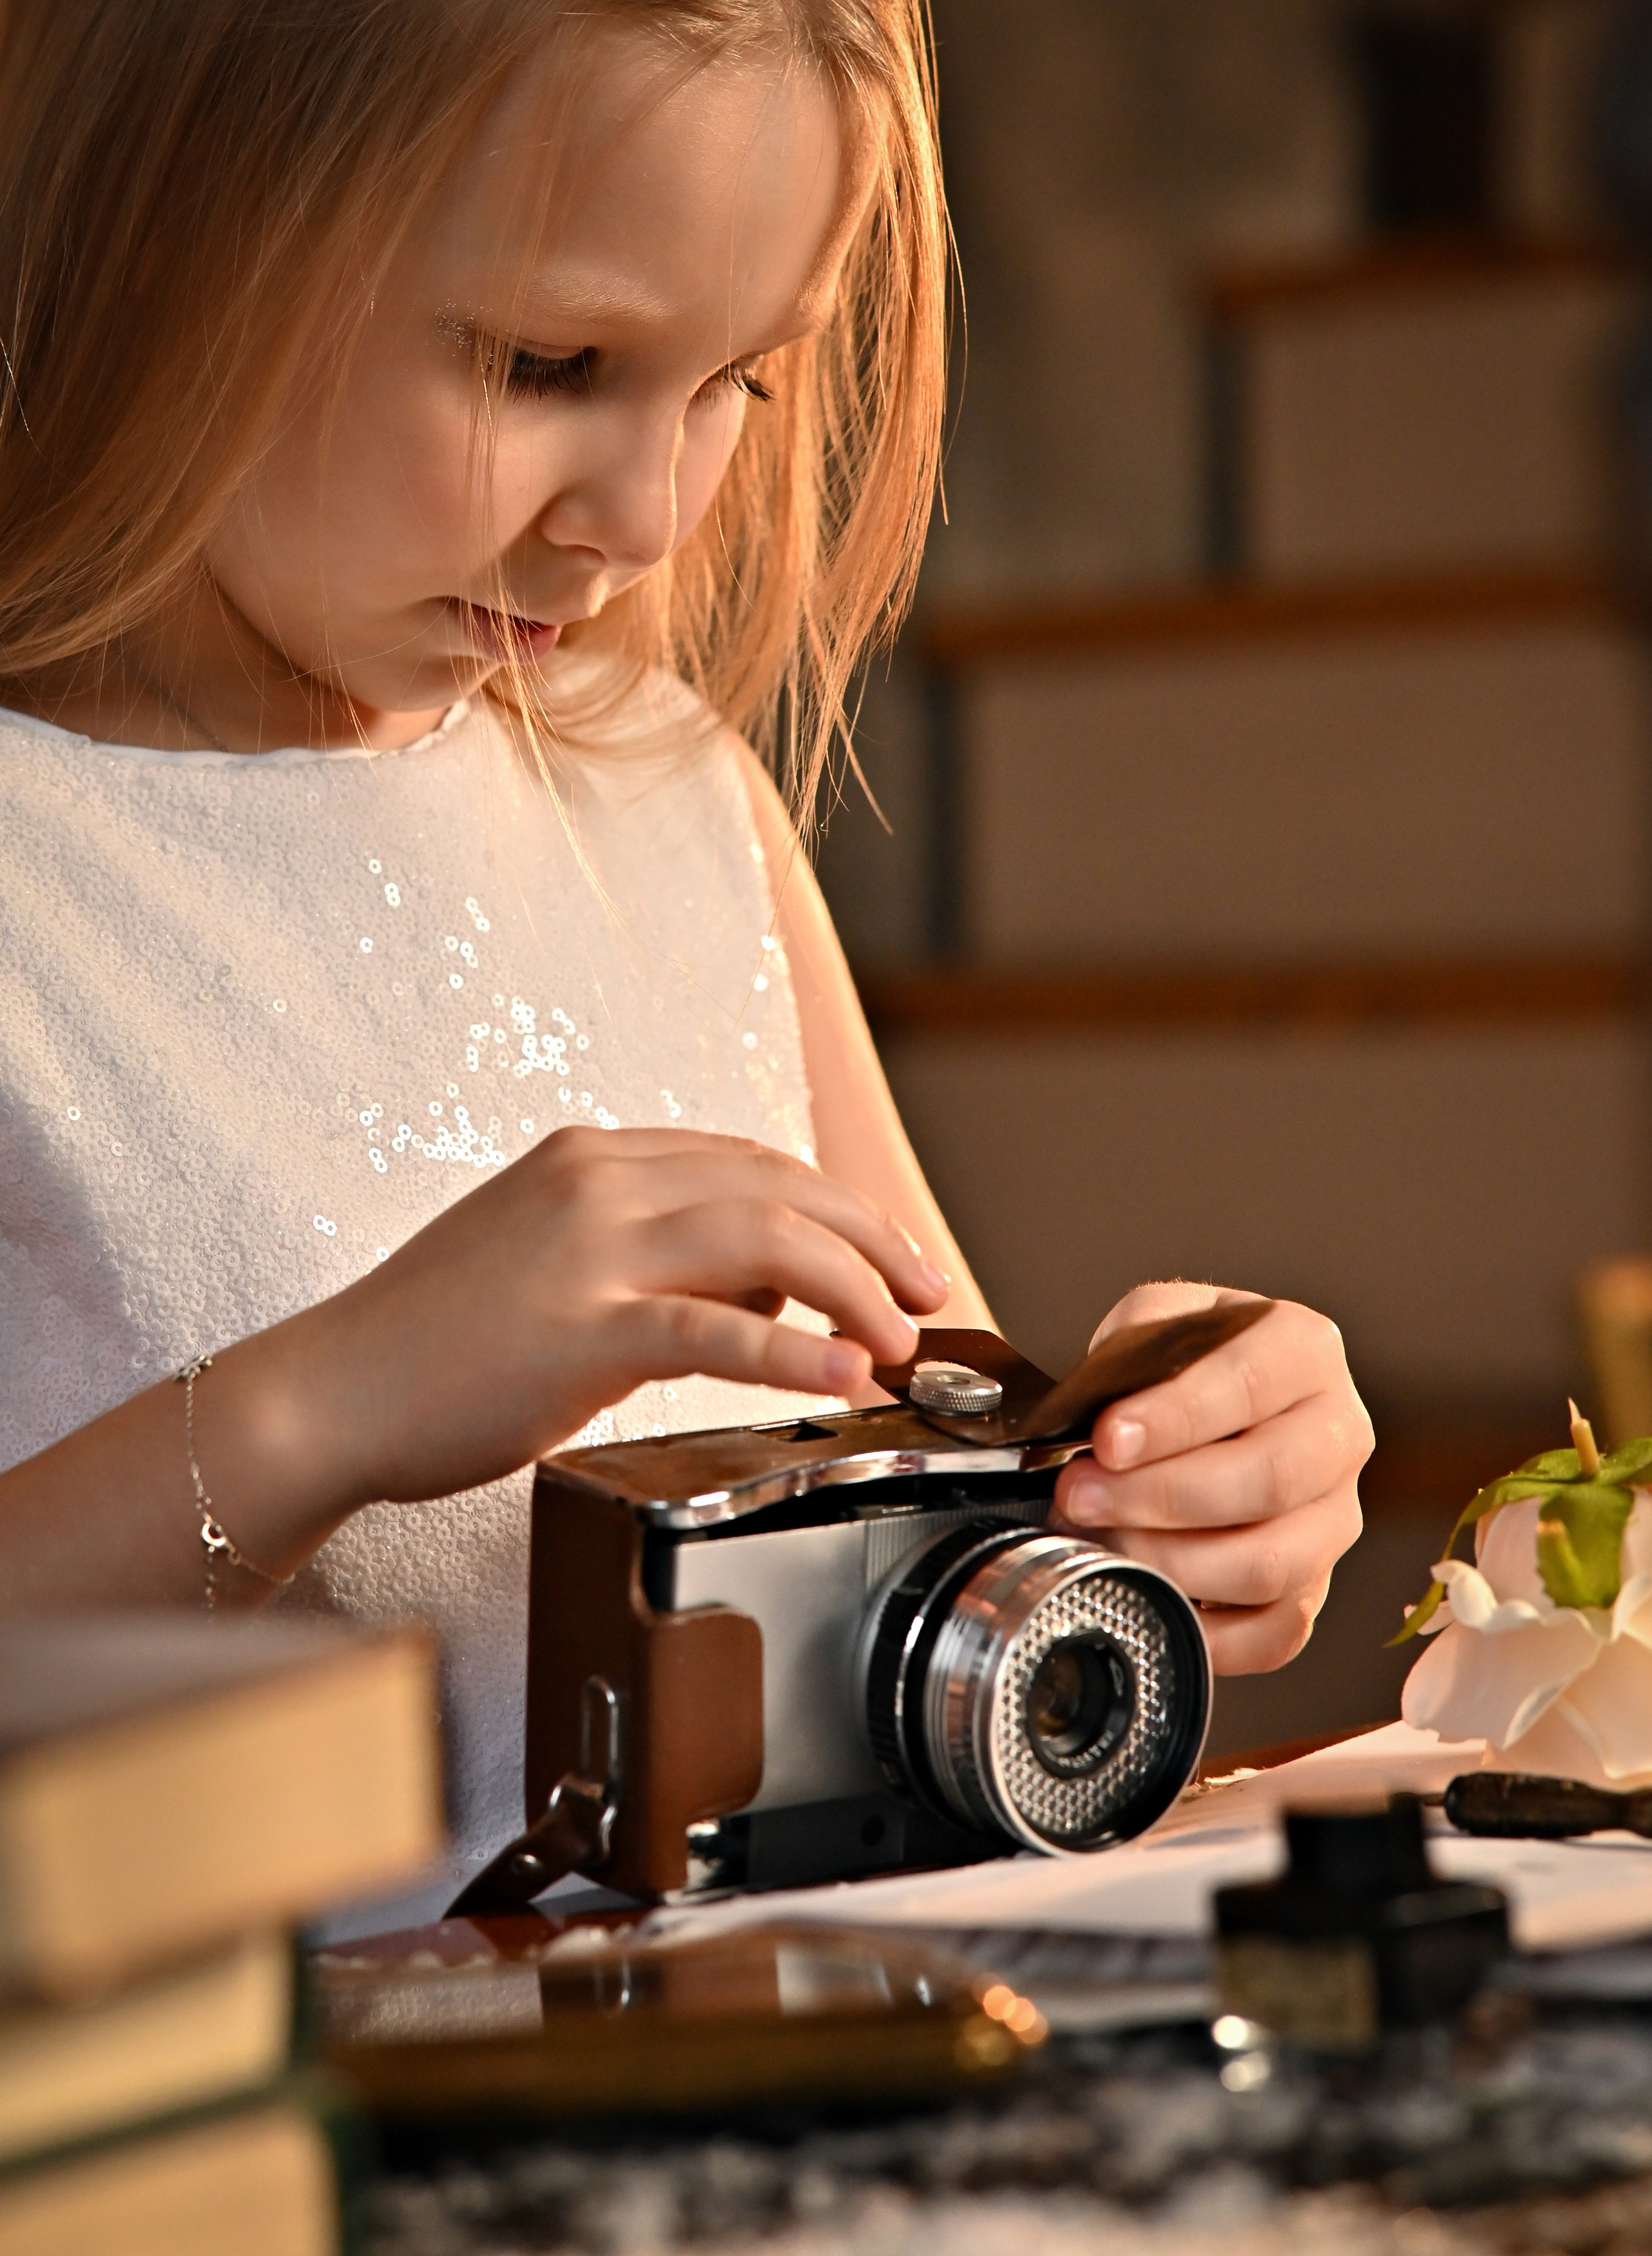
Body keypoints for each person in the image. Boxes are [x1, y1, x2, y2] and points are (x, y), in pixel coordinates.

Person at [0, 0, 1371, 1899]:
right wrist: (329, 1403)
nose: (645, 522)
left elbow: (933, 1566)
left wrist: (1158, 1520)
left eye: (743, 377)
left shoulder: (672, 795)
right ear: (173, 220)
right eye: (549, 362)